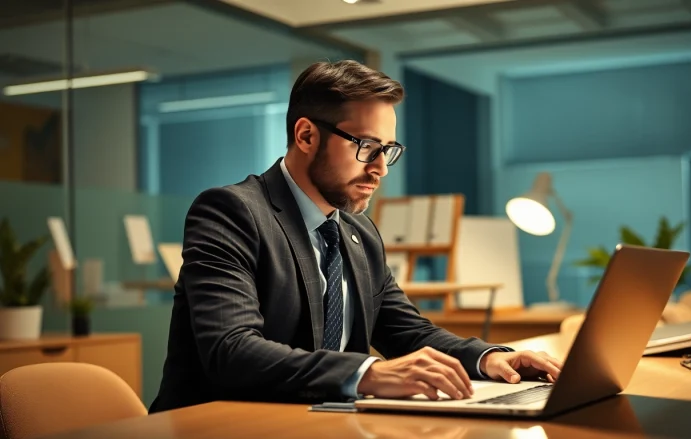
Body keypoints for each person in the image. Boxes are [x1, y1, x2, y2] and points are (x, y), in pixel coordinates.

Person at [149, 60, 562, 413]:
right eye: (366, 146)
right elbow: (232, 351)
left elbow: (407, 332)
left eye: (388, 149)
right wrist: (369, 372)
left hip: (325, 423)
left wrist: (491, 358)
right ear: (307, 135)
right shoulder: (231, 212)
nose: (381, 168)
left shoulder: (358, 231)